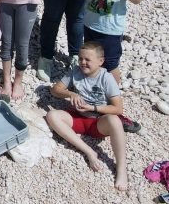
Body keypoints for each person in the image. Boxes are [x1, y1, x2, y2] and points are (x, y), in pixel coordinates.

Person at [45, 42, 128, 191]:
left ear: (100, 61)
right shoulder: (75, 71)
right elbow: (55, 90)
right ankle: (89, 151)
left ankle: (121, 169)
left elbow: (118, 108)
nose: (83, 62)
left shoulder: (106, 78)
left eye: (88, 60)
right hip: (77, 117)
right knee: (52, 115)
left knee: (115, 121)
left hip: (97, 122)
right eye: (81, 58)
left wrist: (93, 107)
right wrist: (70, 93)